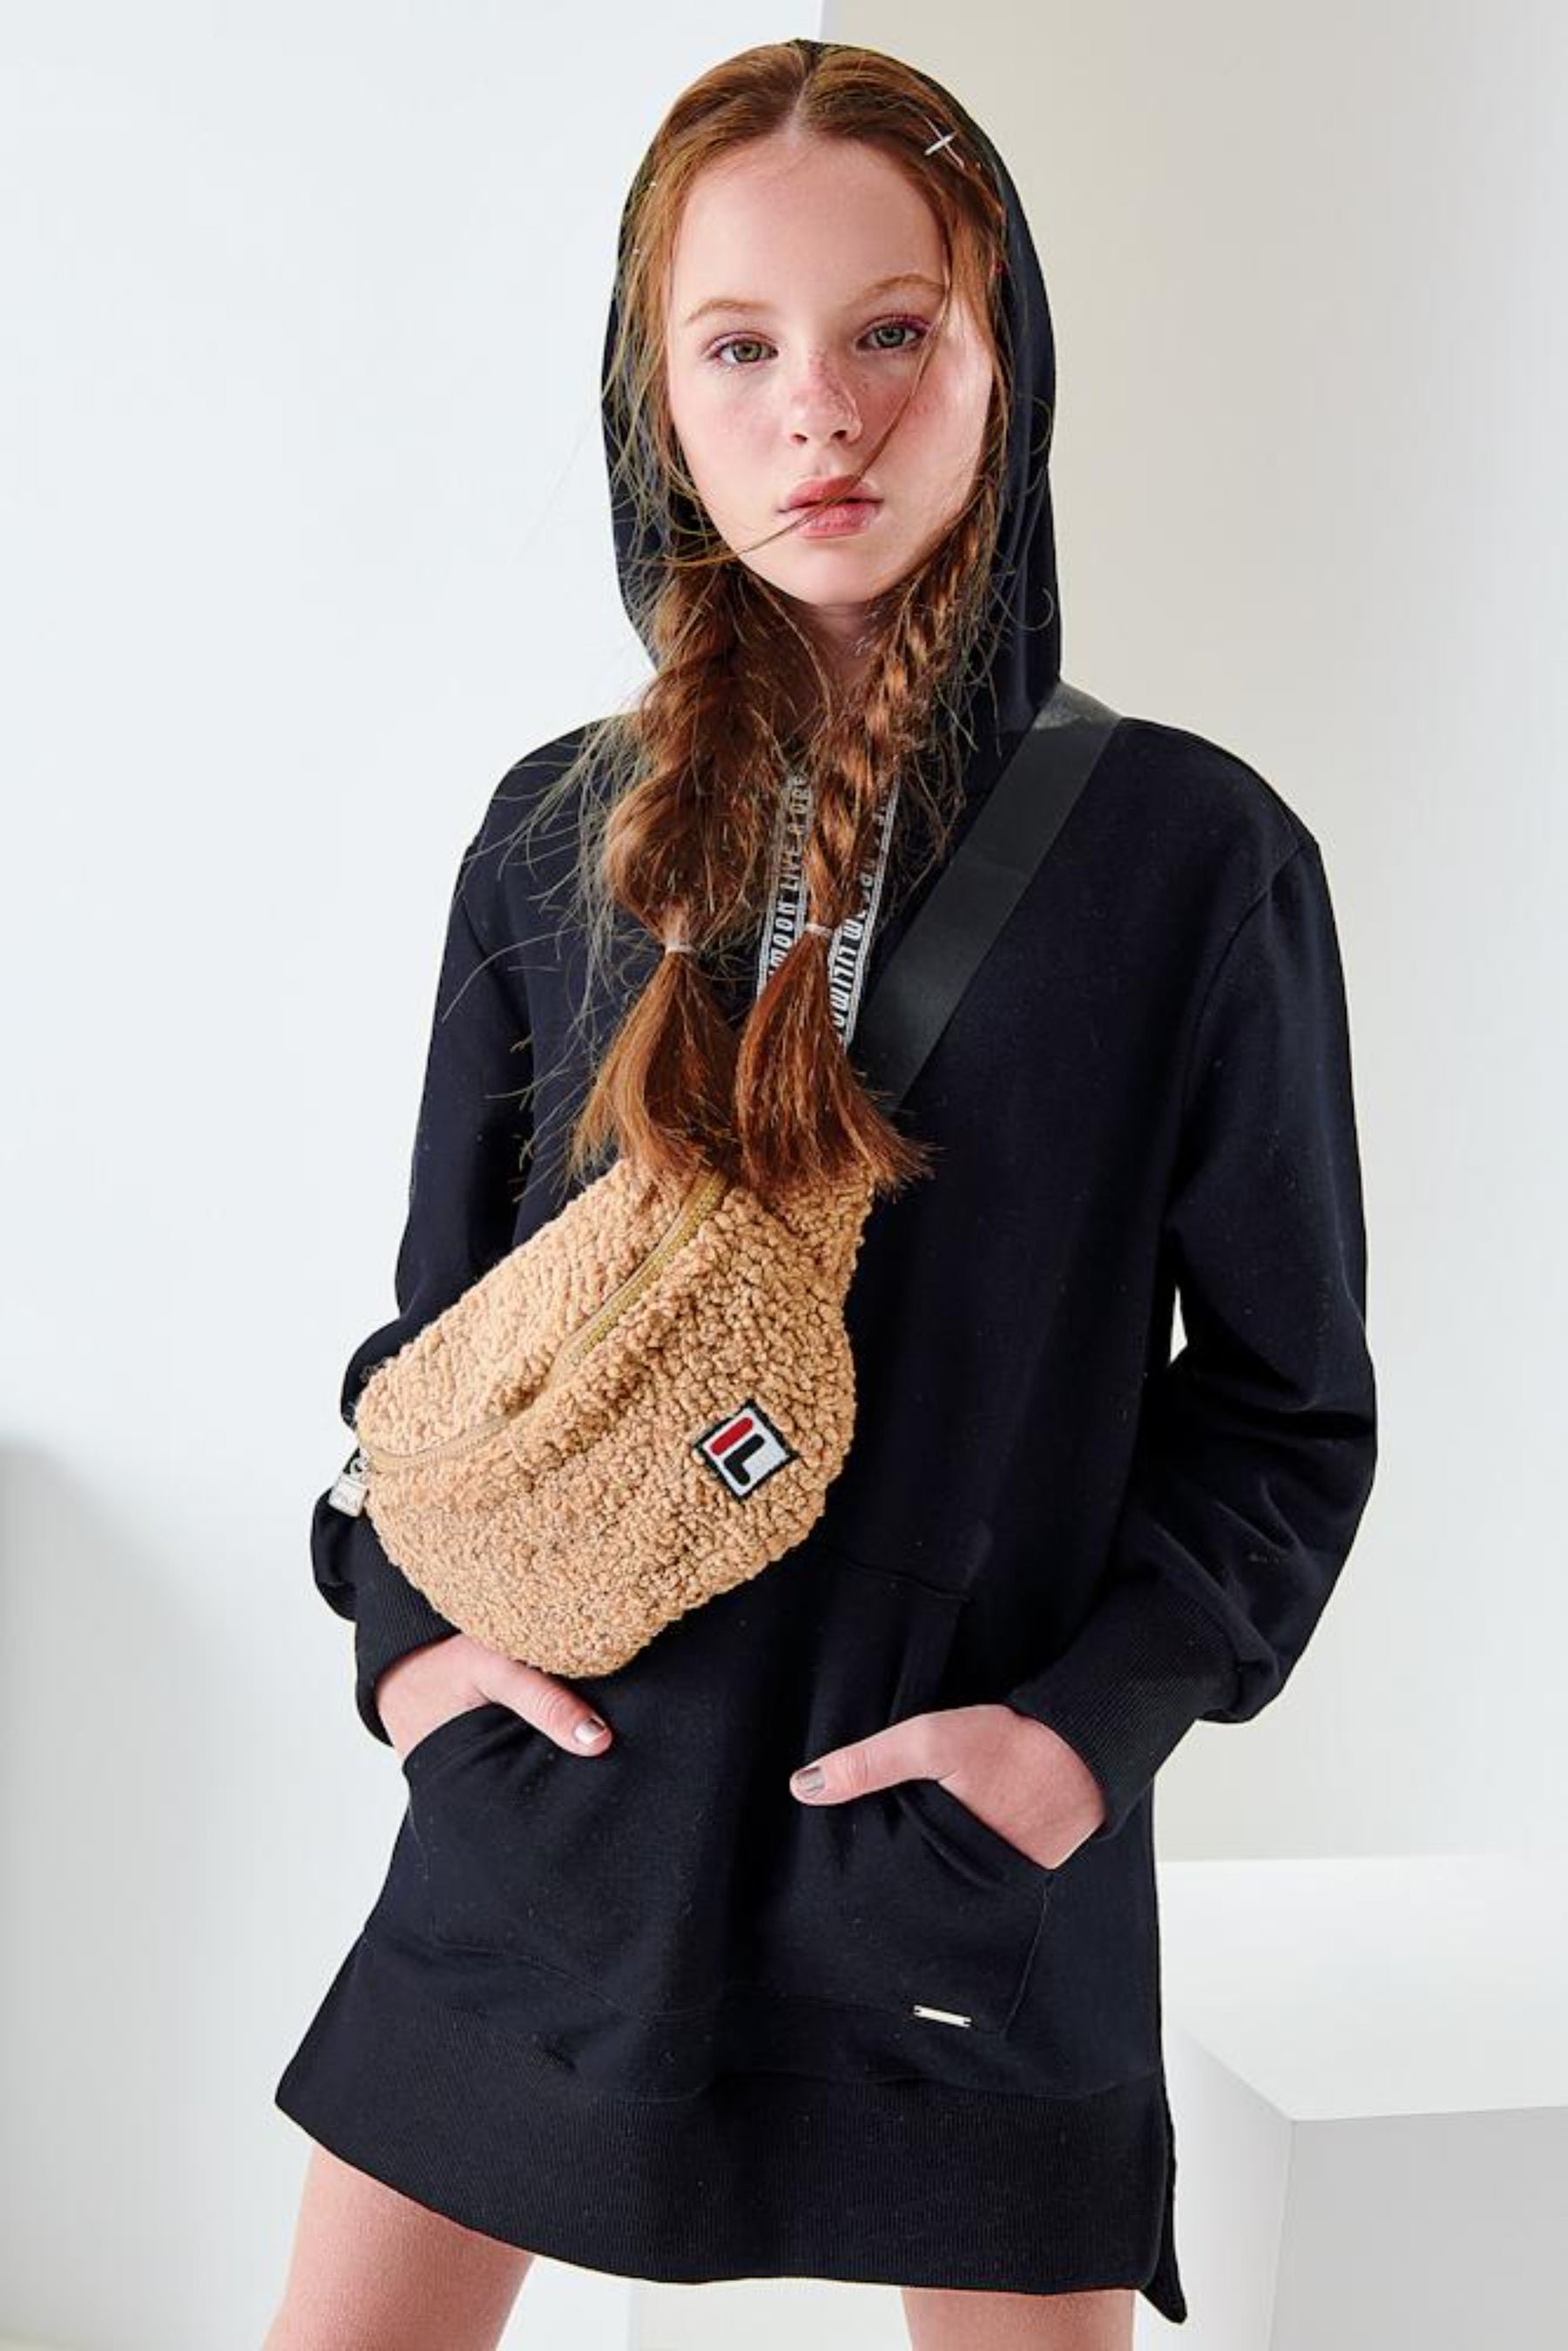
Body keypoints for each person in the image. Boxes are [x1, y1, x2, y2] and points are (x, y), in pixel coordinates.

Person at [268, 37, 1378, 2351]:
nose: (821, 417)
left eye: (893, 331)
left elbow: (1284, 1412)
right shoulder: (554, 838)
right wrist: (409, 1661)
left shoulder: (1193, 858)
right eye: (741, 348)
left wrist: (1071, 1744)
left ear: (1005, 354)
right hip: (555, 1828)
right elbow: (436, 1353)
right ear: (653, 398)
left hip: (950, 1864)